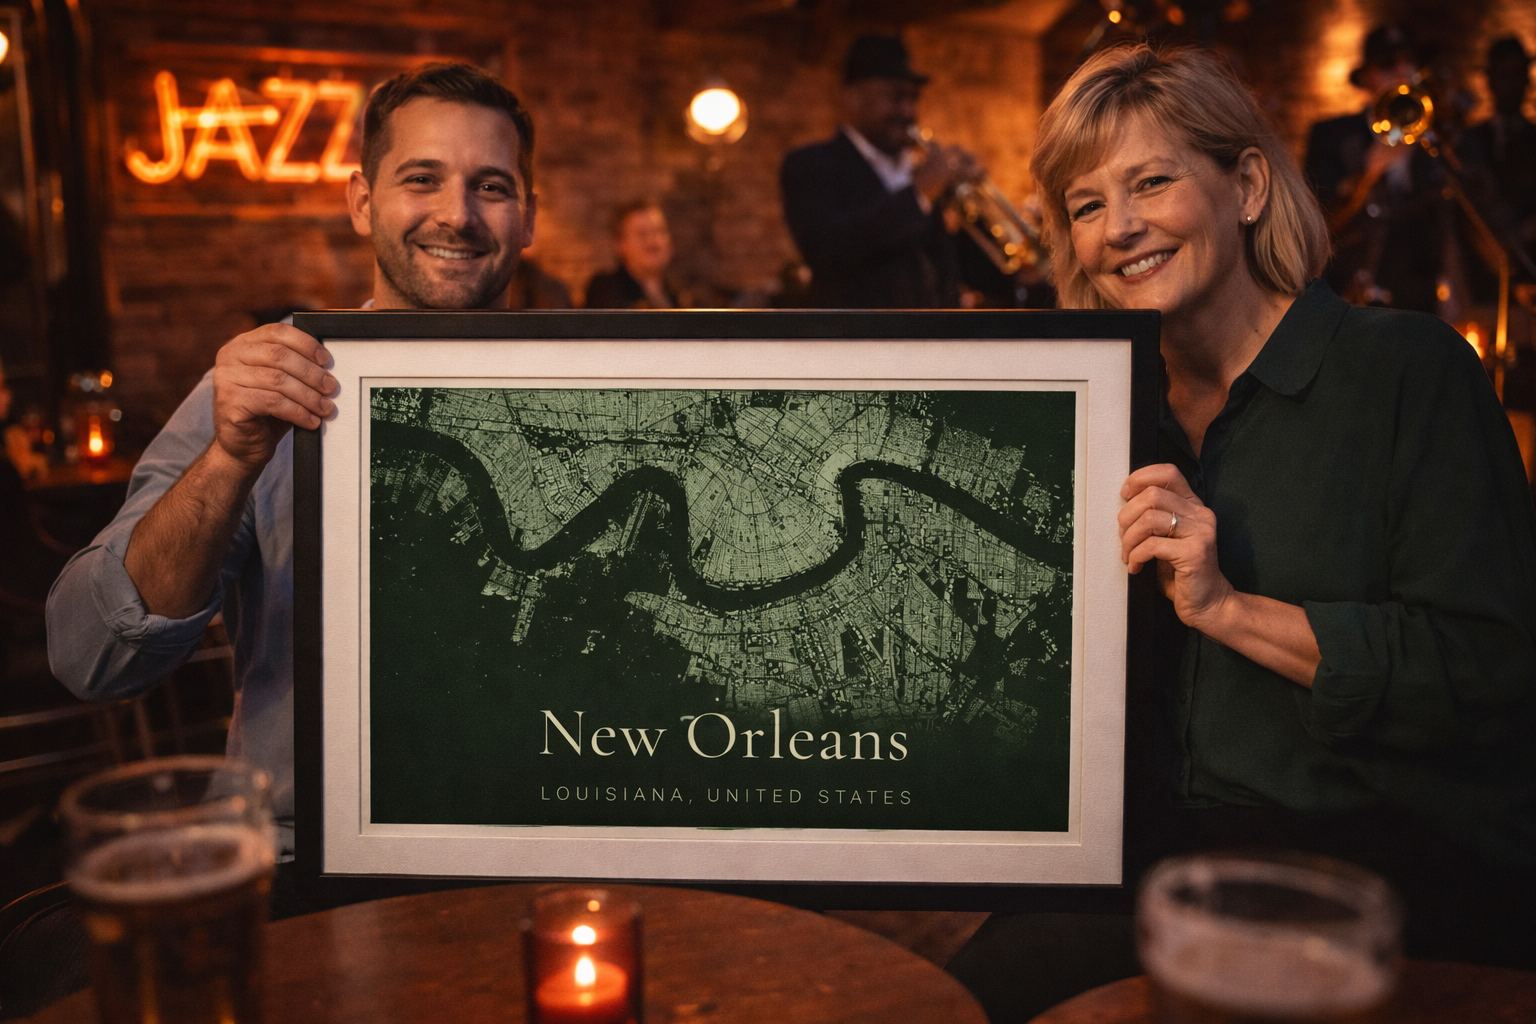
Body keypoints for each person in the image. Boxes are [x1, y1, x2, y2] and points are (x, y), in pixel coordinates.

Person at [946, 42, 1536, 1021]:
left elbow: (1490, 669)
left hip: (1394, 863)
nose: (1120, 227)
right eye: (1086, 206)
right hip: (1157, 853)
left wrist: (1226, 606)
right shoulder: (1104, 415)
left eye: (1152, 182)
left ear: (1248, 183)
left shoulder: (1405, 370)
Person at [46, 62, 539, 868]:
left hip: (554, 850)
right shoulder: (262, 389)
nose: (457, 215)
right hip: (305, 859)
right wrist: (231, 460)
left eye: (491, 186)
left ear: (528, 218)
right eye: (422, 178)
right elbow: (90, 656)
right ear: (361, 201)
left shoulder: (616, 403)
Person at [779, 33, 1015, 308]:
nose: (908, 110)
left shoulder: (924, 172)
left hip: (937, 343)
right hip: (859, 343)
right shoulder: (812, 164)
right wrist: (918, 193)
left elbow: (977, 273)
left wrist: (977, 212)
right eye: (895, 96)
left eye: (914, 98)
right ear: (852, 98)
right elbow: (827, 251)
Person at [1303, 25, 1454, 312]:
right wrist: (1366, 176)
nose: (1400, 72)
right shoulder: (1330, 135)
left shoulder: (1437, 137)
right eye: (1387, 65)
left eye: (1408, 62)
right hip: (1349, 303)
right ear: (1368, 77)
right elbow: (1314, 226)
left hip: (1419, 305)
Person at [1461, 36, 1536, 272]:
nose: (1512, 85)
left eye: (1518, 75)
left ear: (1527, 81)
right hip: (1481, 275)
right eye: (1504, 76)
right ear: (1490, 81)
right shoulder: (1467, 141)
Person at [584, 201, 682, 309]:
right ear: (620, 244)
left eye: (658, 231)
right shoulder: (606, 289)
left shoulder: (678, 292)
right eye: (642, 234)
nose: (653, 242)